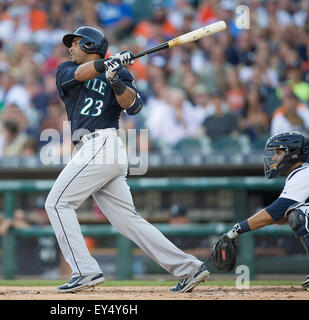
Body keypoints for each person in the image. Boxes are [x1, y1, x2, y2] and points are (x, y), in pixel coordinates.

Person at [45, 26, 209, 294]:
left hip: (103, 144)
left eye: (76, 43)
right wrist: (106, 63)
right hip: (93, 149)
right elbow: (78, 75)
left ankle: (84, 270)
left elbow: (132, 106)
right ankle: (188, 268)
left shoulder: (119, 71)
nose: (70, 48)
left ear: (90, 45)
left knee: (57, 202)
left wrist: (116, 79)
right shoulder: (66, 69)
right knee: (127, 221)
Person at [219, 132, 309, 290]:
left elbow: (274, 213)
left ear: (293, 154)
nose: (274, 158)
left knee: (300, 217)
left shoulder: (304, 174)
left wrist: (234, 231)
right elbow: (280, 216)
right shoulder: (299, 174)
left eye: (278, 153)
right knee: (295, 214)